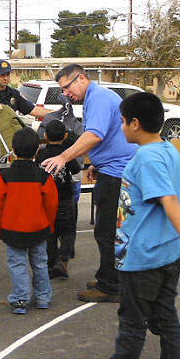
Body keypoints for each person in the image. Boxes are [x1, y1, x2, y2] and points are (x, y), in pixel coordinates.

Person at [107, 92, 180, 359]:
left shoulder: (147, 158)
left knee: (132, 323)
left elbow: (169, 201)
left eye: (123, 121)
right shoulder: (166, 148)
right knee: (165, 318)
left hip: (143, 258)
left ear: (135, 123)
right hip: (165, 253)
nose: (122, 127)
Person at [42, 64, 137, 303]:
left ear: (81, 78)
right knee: (109, 230)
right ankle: (110, 276)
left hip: (117, 174)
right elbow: (107, 135)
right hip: (112, 168)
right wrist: (97, 162)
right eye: (62, 90)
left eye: (67, 87)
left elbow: (94, 134)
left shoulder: (99, 98)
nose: (65, 94)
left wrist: (64, 156)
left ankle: (110, 284)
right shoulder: (97, 97)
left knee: (106, 231)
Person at [0, 128, 58, 314]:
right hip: (38, 228)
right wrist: (49, 226)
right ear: (37, 150)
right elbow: (52, 205)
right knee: (39, 263)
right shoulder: (44, 177)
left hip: (12, 229)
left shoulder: (3, 177)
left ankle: (20, 300)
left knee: (17, 264)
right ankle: (43, 298)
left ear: (12, 150)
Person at [0, 59, 50, 163]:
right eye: (2, 75)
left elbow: (34, 110)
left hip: (3, 143)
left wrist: (55, 113)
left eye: (8, 74)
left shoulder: (14, 94)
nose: (6, 78)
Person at [36, 120, 81, 278]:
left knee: (50, 234)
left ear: (45, 135)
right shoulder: (66, 154)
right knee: (68, 231)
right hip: (64, 199)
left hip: (46, 201)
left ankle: (50, 265)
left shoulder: (41, 154)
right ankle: (63, 261)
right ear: (66, 136)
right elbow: (76, 170)